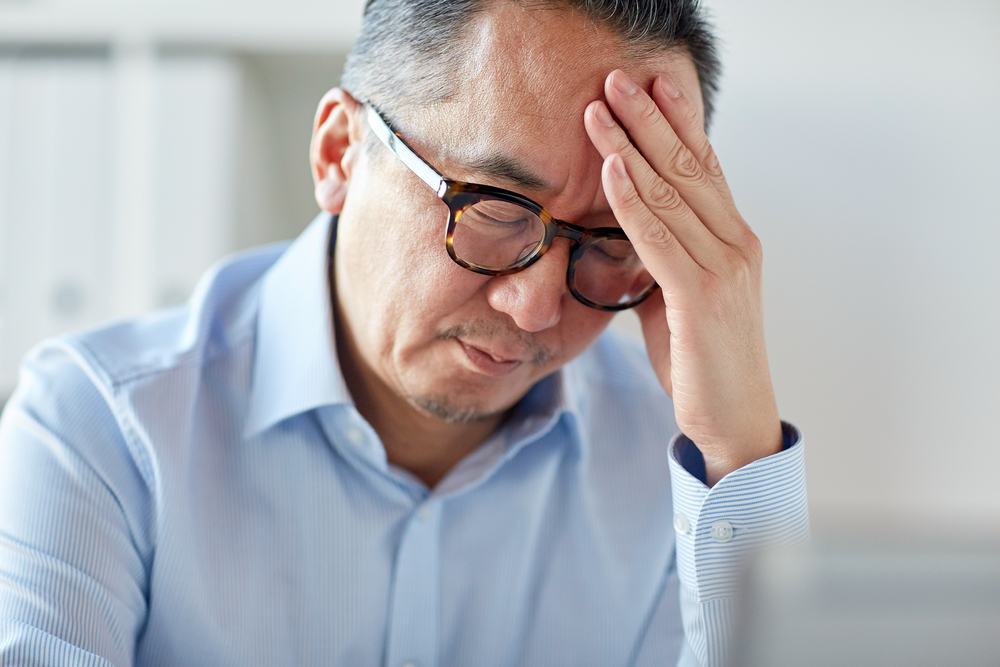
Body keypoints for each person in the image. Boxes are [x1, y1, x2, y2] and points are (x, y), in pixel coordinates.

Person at [0, 0, 809, 665]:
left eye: (609, 242)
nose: (534, 308)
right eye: (494, 206)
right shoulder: (99, 428)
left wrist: (738, 455)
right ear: (339, 152)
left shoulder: (677, 473)